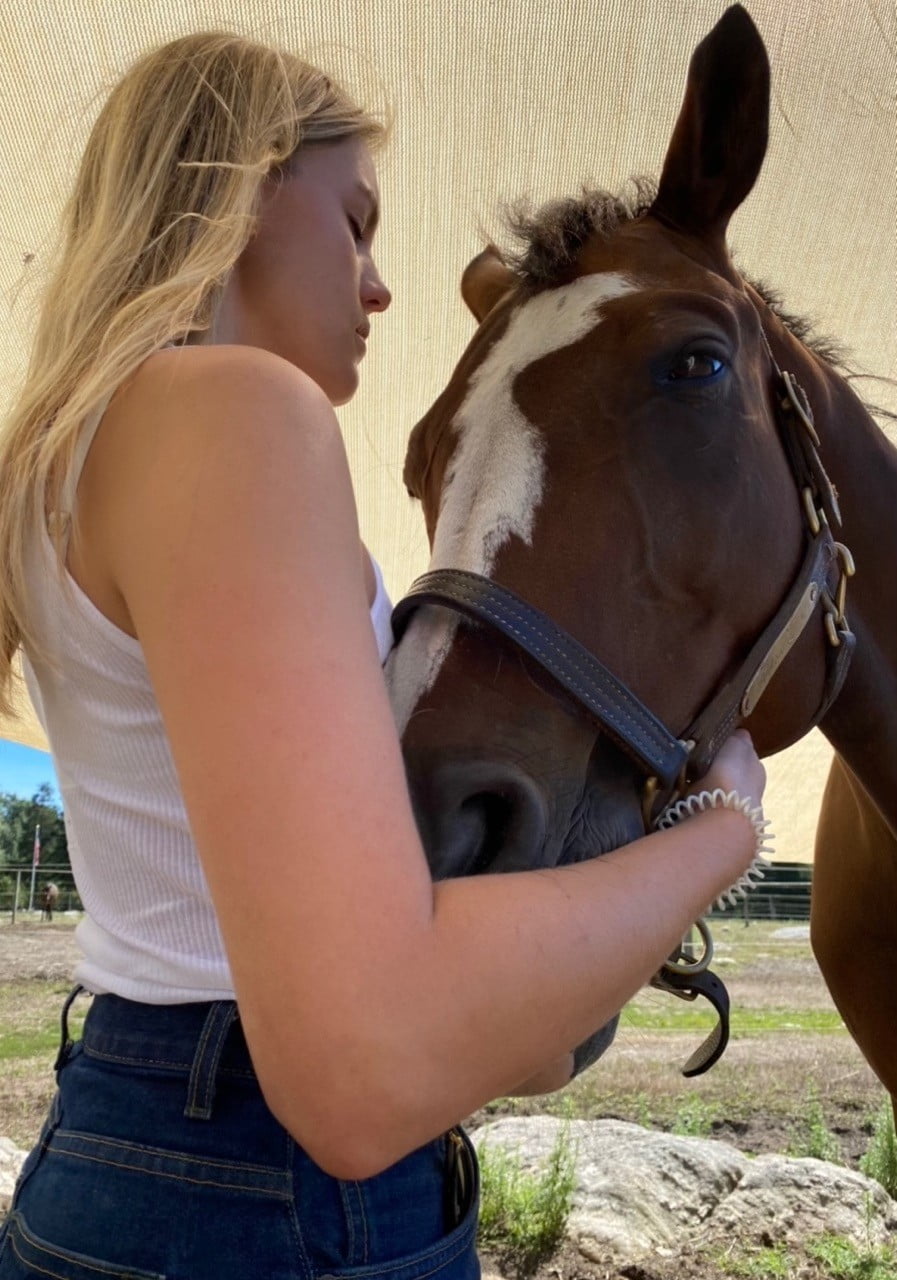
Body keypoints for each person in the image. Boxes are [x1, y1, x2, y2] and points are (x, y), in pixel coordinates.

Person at [0, 31, 765, 1280]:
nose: (378, 285)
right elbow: (362, 1070)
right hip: (262, 1204)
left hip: (127, 1137)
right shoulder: (235, 412)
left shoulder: (65, 462)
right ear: (250, 182)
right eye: (355, 221)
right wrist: (725, 829)